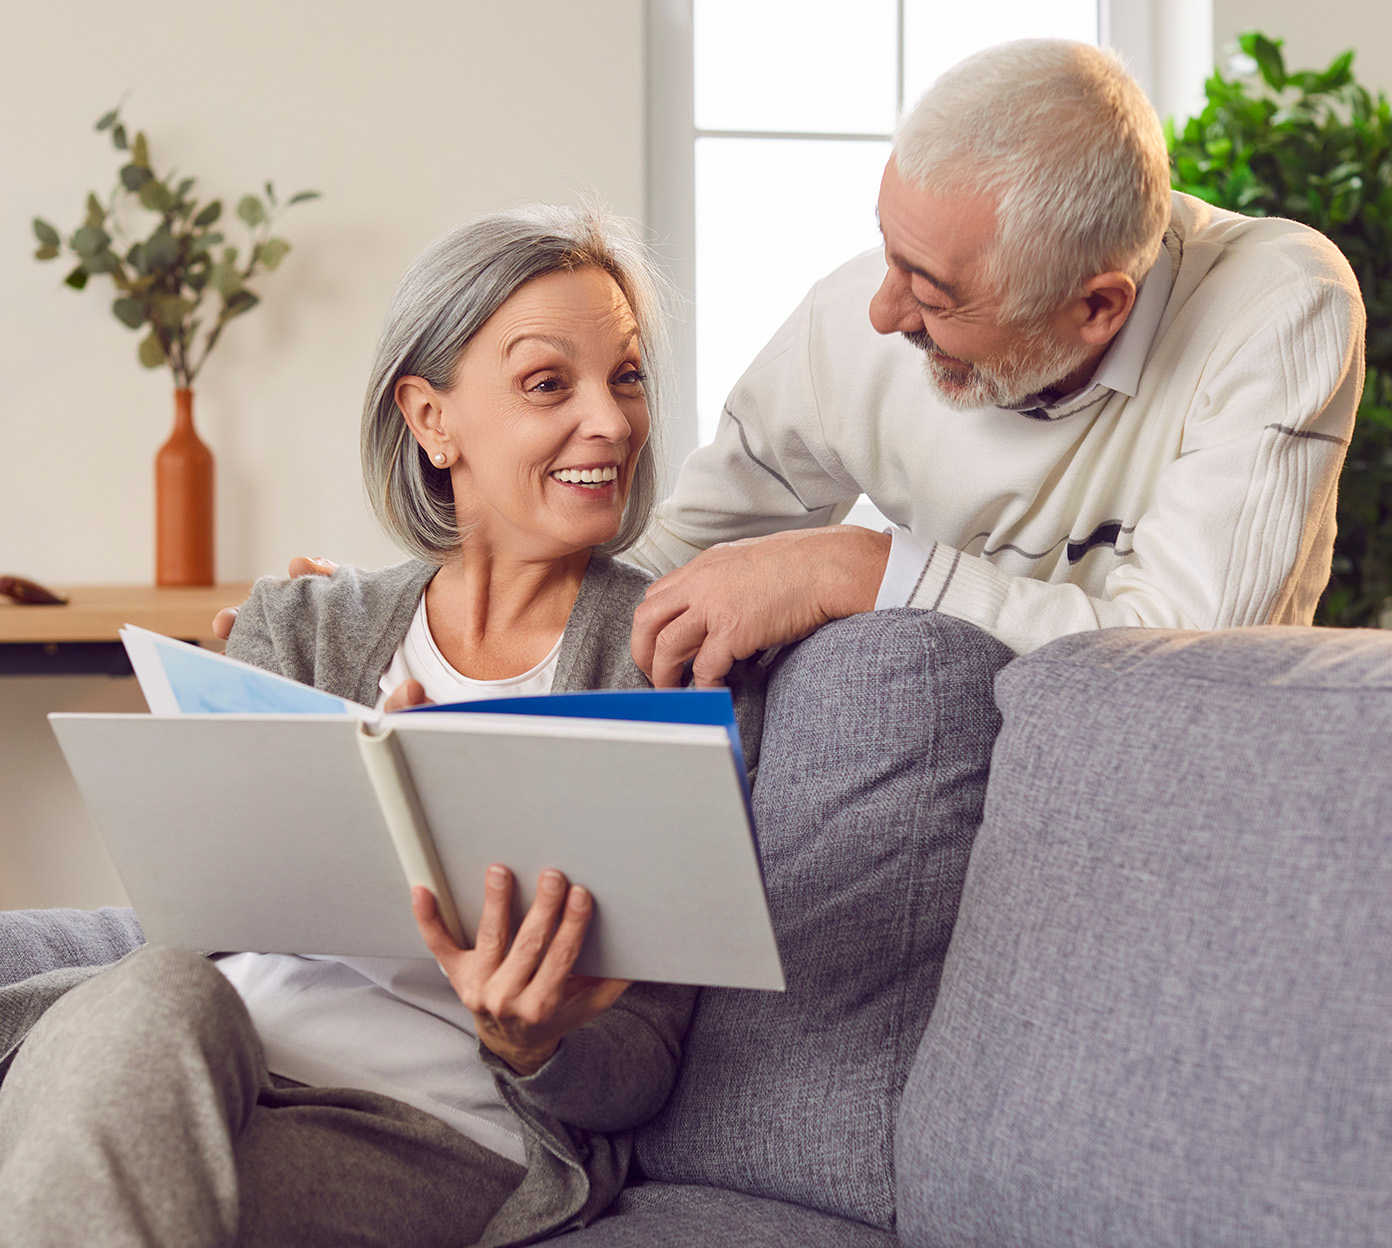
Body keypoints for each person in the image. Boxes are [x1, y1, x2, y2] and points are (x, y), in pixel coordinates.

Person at [0, 204, 755, 1247]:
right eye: (551, 383)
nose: (614, 421)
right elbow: (190, 922)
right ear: (431, 418)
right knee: (157, 992)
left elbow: (647, 1055)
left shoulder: (667, 661)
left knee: (103, 1174)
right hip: (199, 1052)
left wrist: (535, 1044)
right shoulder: (303, 623)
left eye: (625, 376)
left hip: (429, 1135)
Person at [624, 38, 1367, 686]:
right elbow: (660, 569)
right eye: (889, 250)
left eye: (934, 294)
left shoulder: (1279, 305)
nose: (884, 314)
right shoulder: (850, 320)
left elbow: (1186, 660)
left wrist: (862, 570)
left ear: (1098, 307)